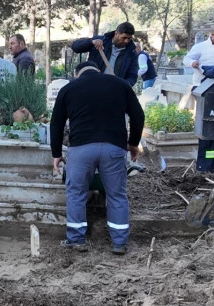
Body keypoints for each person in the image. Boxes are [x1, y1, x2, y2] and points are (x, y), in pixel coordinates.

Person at [50, 61, 145, 255]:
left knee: (76, 193)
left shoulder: (69, 89)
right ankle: (119, 242)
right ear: (99, 71)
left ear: (76, 74)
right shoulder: (119, 84)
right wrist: (133, 143)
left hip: (81, 149)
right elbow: (138, 115)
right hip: (113, 148)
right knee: (116, 194)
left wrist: (57, 153)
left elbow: (56, 123)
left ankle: (76, 240)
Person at [71, 22, 139, 87]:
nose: (126, 41)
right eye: (124, 38)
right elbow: (75, 47)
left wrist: (122, 86)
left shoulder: (131, 53)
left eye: (129, 38)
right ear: (116, 33)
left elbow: (132, 76)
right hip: (92, 84)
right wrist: (91, 42)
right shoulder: (100, 41)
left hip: (113, 89)